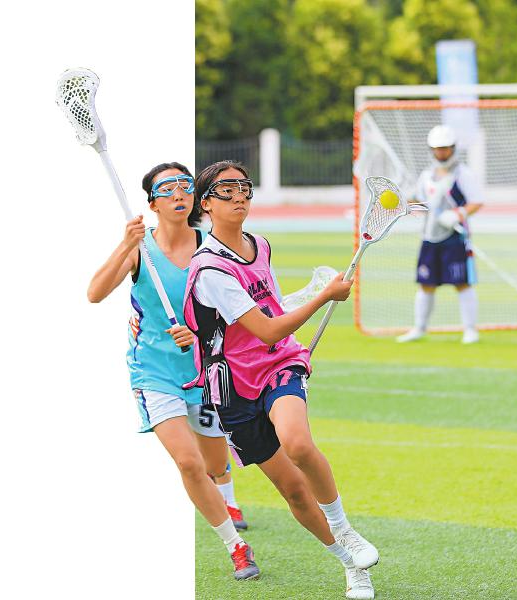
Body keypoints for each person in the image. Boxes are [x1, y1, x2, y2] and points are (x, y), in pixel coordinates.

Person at [182, 160, 376, 599]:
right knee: (294, 492)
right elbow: (266, 328)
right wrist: (323, 297)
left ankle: (345, 531)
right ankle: (350, 564)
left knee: (298, 443)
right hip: (232, 386)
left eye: (244, 187)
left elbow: (270, 313)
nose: (238, 195)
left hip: (277, 364)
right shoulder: (210, 268)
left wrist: (305, 300)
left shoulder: (260, 245)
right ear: (205, 203)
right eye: (226, 189)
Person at [87, 162, 258, 580]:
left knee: (215, 463)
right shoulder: (139, 249)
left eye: (185, 185)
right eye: (167, 188)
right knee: (189, 463)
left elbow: (236, 310)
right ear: (152, 204)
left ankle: (228, 494)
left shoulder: (211, 248)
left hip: (206, 370)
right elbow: (94, 293)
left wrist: (198, 334)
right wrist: (124, 245)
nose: (179, 193)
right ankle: (236, 547)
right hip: (154, 373)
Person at [397, 125, 484, 344]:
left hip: (454, 237)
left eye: (445, 148)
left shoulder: (463, 174)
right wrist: (402, 199)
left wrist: (458, 214)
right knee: (426, 283)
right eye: (437, 149)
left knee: (461, 282)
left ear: (453, 148)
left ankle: (470, 329)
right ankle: (419, 328)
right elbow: (419, 201)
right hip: (429, 237)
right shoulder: (427, 176)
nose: (441, 153)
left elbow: (476, 202)